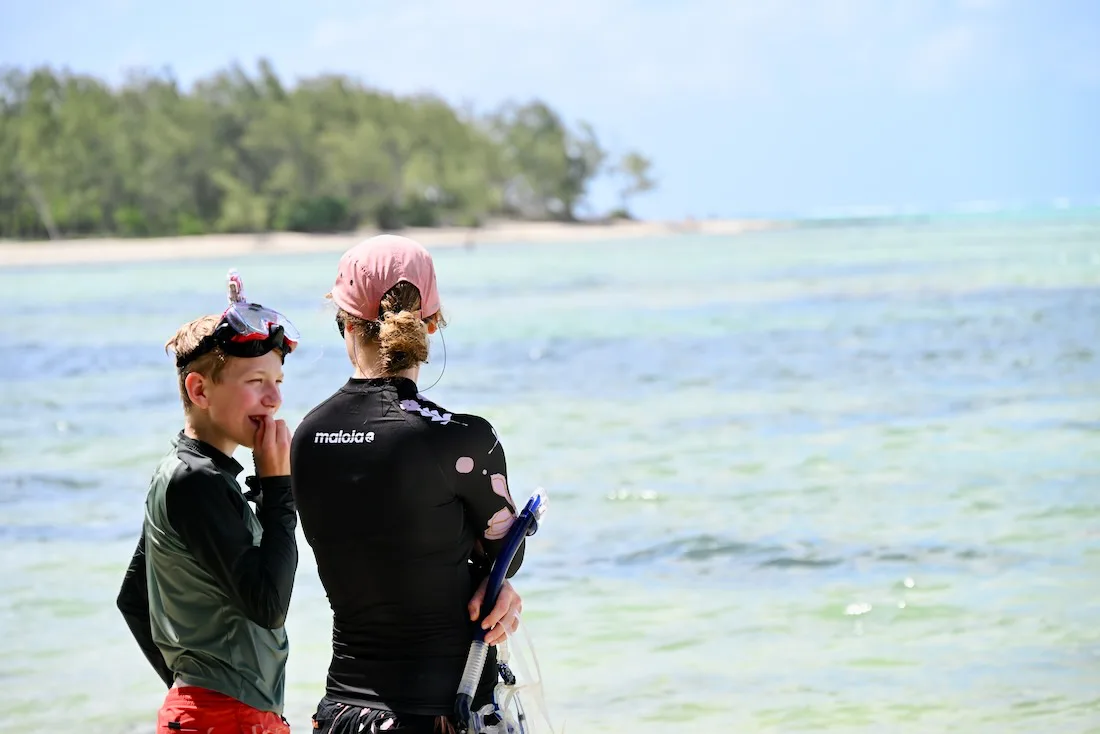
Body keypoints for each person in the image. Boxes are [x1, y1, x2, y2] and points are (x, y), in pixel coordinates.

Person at [291, 235, 527, 734]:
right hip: (447, 713)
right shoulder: (463, 440)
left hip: (342, 715)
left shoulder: (306, 438)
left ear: (344, 322)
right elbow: (505, 551)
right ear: (432, 323)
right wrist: (495, 582)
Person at [116, 272, 300, 734]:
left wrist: (189, 692)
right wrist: (278, 487)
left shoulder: (190, 473)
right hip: (225, 717)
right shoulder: (195, 479)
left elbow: (134, 599)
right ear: (200, 391)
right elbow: (268, 604)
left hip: (214, 712)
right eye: (256, 380)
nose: (274, 398)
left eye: (277, 380)